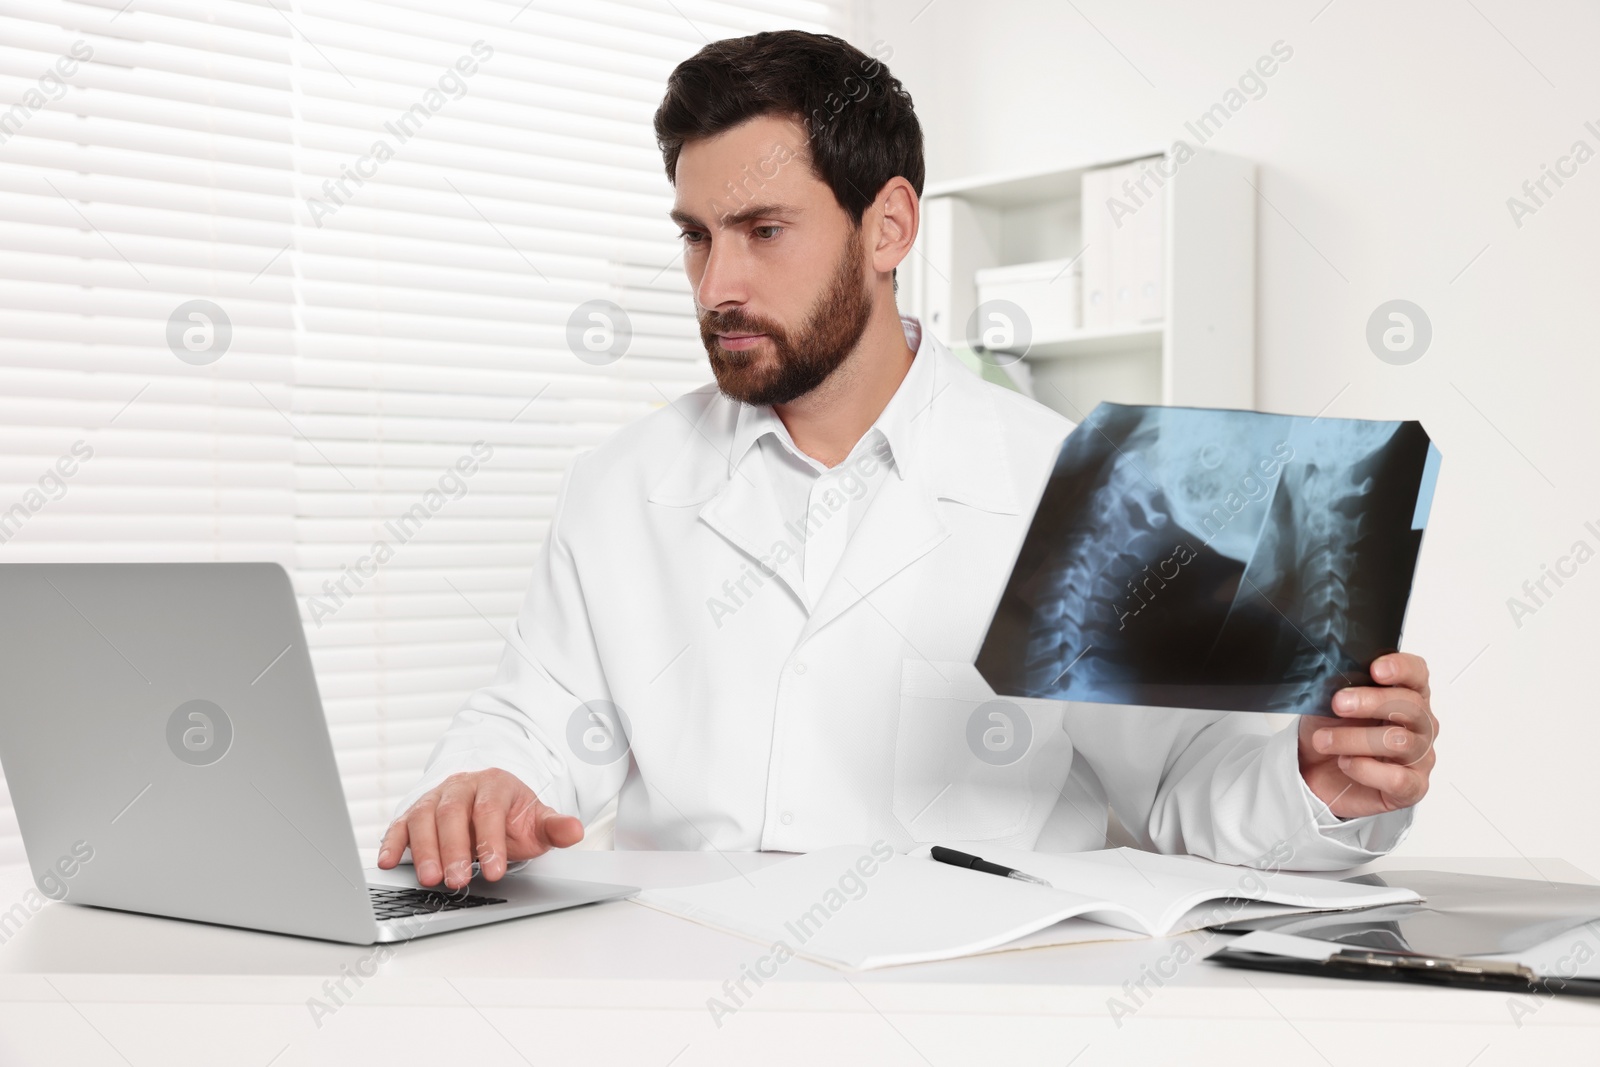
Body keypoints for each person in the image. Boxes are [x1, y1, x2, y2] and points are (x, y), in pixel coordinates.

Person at [378, 30, 1438, 892]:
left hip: (972, 1011)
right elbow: (534, 722)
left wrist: (1316, 777)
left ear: (886, 227)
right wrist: (485, 785)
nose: (716, 286)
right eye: (697, 236)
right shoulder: (619, 484)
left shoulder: (1066, 478)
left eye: (762, 230)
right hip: (685, 999)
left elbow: (1178, 782)